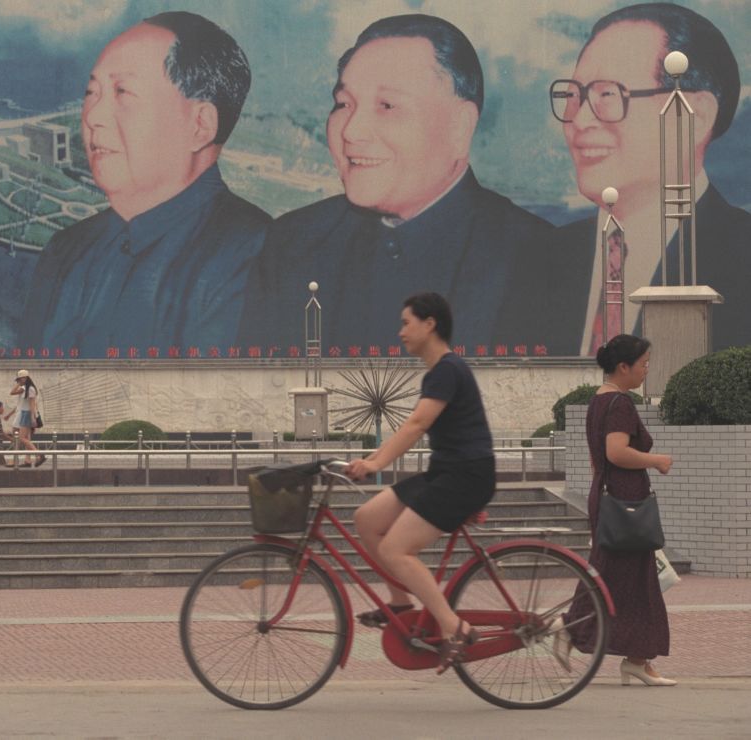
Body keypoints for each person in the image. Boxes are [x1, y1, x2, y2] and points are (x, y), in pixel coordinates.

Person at [238, 14, 552, 352]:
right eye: (344, 104)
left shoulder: (537, 258)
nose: (351, 130)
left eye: (386, 106)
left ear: (460, 127)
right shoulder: (293, 242)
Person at [21, 11, 270, 356]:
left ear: (200, 125)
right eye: (91, 92)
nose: (93, 116)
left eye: (123, 92)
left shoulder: (262, 258)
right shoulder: (66, 251)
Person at [508, 3, 750, 355]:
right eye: (574, 96)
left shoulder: (741, 257)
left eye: (608, 95)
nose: (579, 120)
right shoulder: (533, 261)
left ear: (693, 117)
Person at [346, 292, 496, 673]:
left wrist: (376, 461)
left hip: (467, 476)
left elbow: (416, 424)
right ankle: (400, 602)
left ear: (430, 324)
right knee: (367, 518)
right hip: (445, 472)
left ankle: (454, 627)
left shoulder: (448, 369)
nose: (401, 332)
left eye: (406, 323)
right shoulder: (439, 372)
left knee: (397, 549)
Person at [558, 334, 675, 685]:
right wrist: (656, 460)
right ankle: (569, 630)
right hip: (624, 501)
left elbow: (599, 461)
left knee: (636, 580)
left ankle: (637, 659)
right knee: (610, 573)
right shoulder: (620, 403)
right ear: (623, 367)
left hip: (610, 496)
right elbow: (615, 452)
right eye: (643, 364)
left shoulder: (599, 401)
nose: (646, 370)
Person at [8, 369, 45, 467]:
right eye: (19, 379)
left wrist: (33, 418)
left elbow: (32, 404)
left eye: (21, 378)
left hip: (27, 414)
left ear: (26, 378)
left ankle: (39, 455)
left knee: (22, 438)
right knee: (26, 438)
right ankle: (28, 460)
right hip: (24, 413)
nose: (20, 380)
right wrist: (18, 383)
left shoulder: (31, 389)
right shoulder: (24, 388)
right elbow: (12, 392)